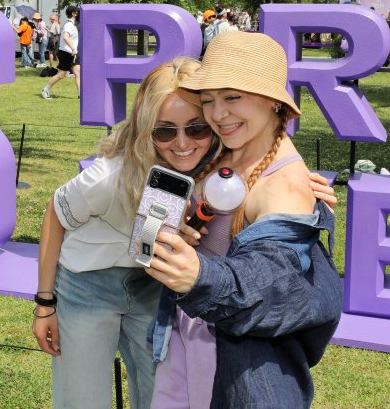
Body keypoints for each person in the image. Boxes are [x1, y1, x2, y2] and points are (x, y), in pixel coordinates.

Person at [31, 55, 337, 409]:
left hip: (154, 288)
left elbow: (264, 164)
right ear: (147, 127)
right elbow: (54, 212)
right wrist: (44, 303)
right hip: (89, 283)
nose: (182, 143)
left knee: (156, 394)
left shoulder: (214, 160)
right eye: (164, 130)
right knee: (82, 401)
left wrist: (305, 189)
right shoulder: (111, 175)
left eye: (196, 128)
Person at [145, 31, 342, 408]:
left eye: (233, 97)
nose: (218, 114)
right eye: (209, 100)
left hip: (234, 363)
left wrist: (199, 277)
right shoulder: (229, 147)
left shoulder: (283, 186)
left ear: (272, 101)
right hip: (185, 336)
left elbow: (270, 279)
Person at [41, 6, 80, 100]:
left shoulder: (73, 24)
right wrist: (73, 48)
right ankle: (45, 90)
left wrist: (74, 50)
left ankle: (81, 94)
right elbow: (65, 37)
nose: (79, 14)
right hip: (66, 53)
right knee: (61, 75)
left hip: (72, 53)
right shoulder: (69, 25)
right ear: (73, 13)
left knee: (78, 72)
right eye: (77, 12)